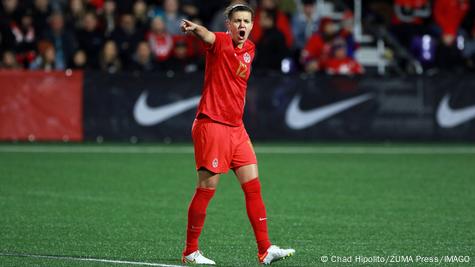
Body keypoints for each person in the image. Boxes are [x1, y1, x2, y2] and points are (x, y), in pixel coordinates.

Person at [180, 3, 295, 265]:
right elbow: (207, 35)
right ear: (228, 25)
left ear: (252, 25)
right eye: (237, 21)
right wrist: (196, 28)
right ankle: (190, 251)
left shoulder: (250, 50)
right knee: (206, 189)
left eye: (246, 21)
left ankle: (265, 250)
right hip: (213, 124)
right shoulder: (219, 41)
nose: (242, 25)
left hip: (236, 128)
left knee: (253, 187)